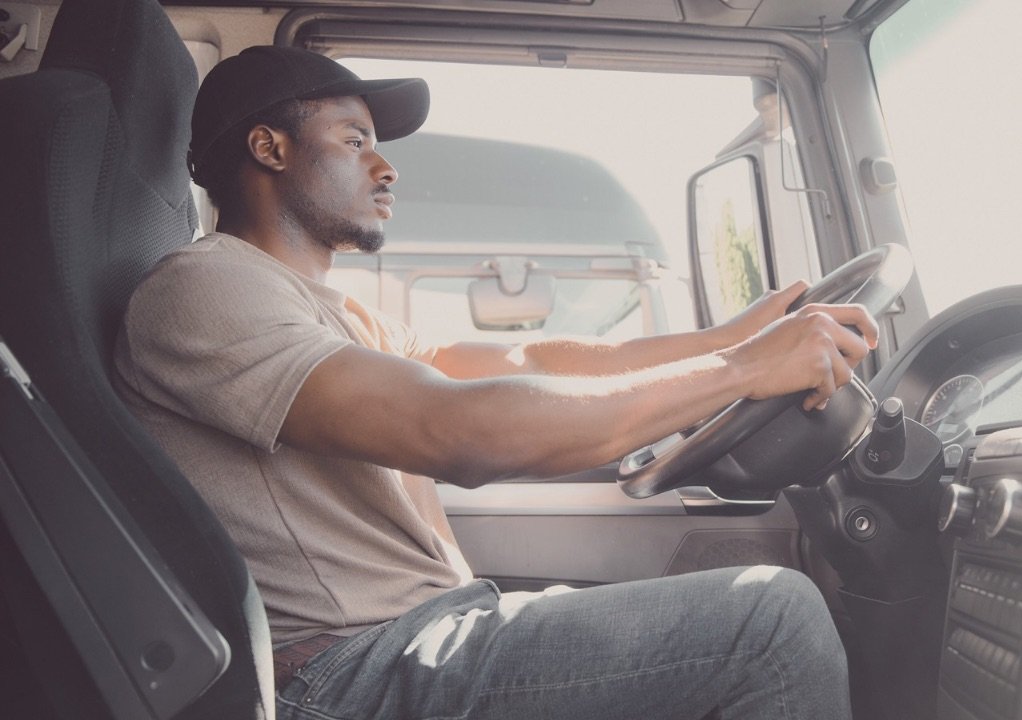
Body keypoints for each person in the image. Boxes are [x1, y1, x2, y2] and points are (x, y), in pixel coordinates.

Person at [114, 45, 878, 720]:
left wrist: (729, 338)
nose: (386, 167)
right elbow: (461, 432)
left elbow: (526, 365)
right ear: (268, 148)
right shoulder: (205, 288)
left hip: (418, 633)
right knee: (771, 622)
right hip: (343, 676)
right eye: (354, 141)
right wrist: (741, 372)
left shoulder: (329, 310)